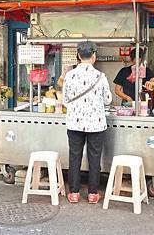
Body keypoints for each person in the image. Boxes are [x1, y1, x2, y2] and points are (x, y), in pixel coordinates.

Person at [63, 41, 112, 204]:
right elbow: (107, 100)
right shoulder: (101, 76)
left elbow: (65, 100)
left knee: (74, 157)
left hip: (74, 123)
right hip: (96, 124)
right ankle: (92, 194)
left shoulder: (69, 76)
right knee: (94, 158)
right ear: (94, 57)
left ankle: (74, 193)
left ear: (78, 56)